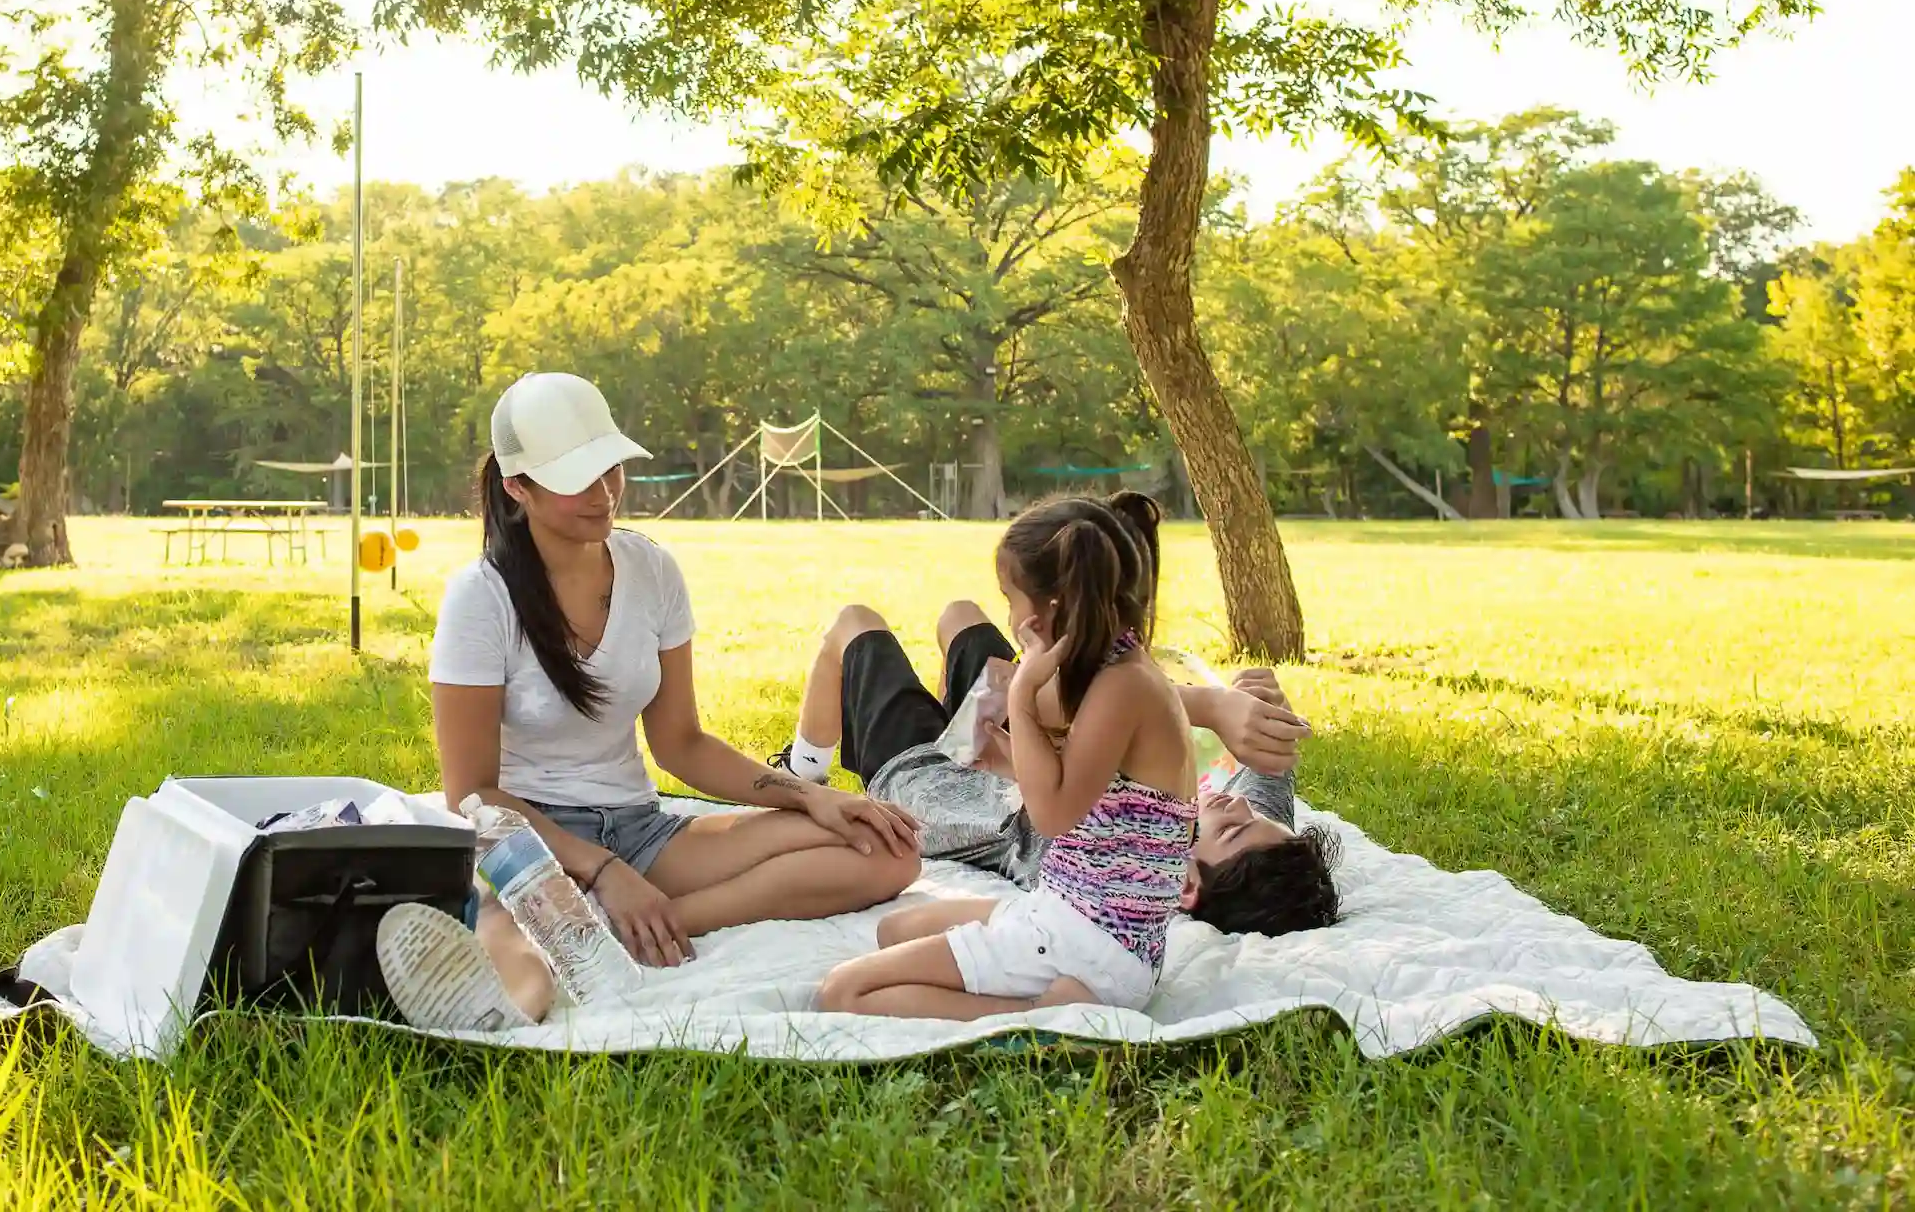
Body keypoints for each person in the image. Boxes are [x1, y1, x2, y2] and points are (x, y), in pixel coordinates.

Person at [378, 372, 924, 1031]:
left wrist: (810, 795)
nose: (605, 493)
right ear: (518, 487)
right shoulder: (481, 597)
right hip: (527, 836)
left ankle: (620, 924)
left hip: (639, 828)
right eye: (578, 478)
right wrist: (600, 869)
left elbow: (681, 744)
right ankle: (517, 942)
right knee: (529, 984)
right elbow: (473, 795)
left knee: (886, 851)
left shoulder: (652, 570)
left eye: (611, 470)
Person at [817, 494, 1340, 1019]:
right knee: (893, 931)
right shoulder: (1112, 672)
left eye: (1011, 598)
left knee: (843, 990)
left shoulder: (1125, 687)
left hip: (1085, 945)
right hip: (1073, 916)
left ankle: (1043, 1012)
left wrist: (1021, 700)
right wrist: (1004, 747)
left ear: (1050, 608)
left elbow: (1052, 814)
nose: (1010, 615)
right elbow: (1084, 793)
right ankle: (1053, 993)